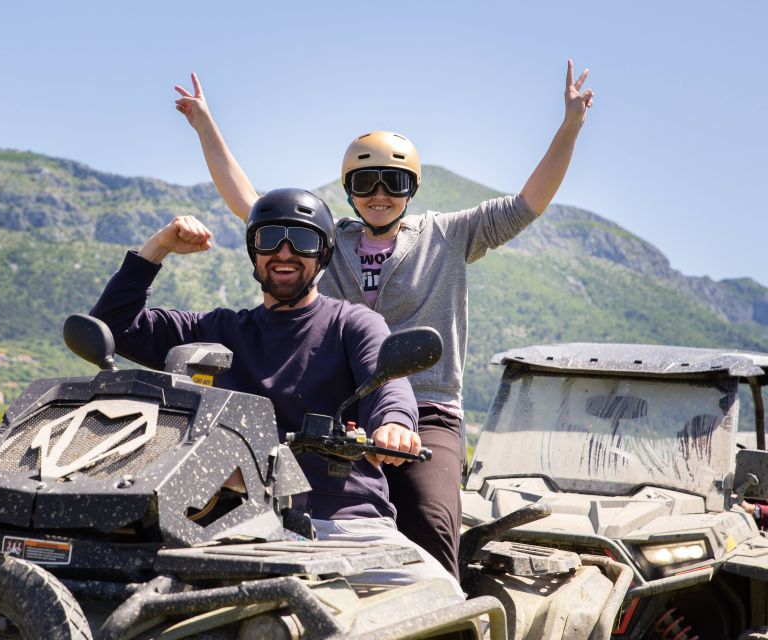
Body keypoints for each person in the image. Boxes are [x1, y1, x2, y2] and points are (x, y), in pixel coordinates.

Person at [173, 61, 595, 579]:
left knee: (431, 518)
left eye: (393, 181)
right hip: (335, 411)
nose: (379, 193)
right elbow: (252, 203)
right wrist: (204, 125)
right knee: (272, 519)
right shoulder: (325, 239)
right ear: (349, 188)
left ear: (411, 187)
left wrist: (571, 124)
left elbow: (528, 203)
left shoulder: (448, 234)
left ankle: (444, 616)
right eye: (365, 181)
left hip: (427, 408)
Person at [90, 187, 461, 591]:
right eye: (270, 239)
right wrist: (158, 247)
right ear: (254, 252)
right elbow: (115, 324)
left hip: (342, 521)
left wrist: (394, 424)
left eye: (301, 240)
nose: (284, 252)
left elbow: (387, 382)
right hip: (235, 521)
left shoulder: (352, 323)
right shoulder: (219, 330)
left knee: (440, 596)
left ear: (322, 254)